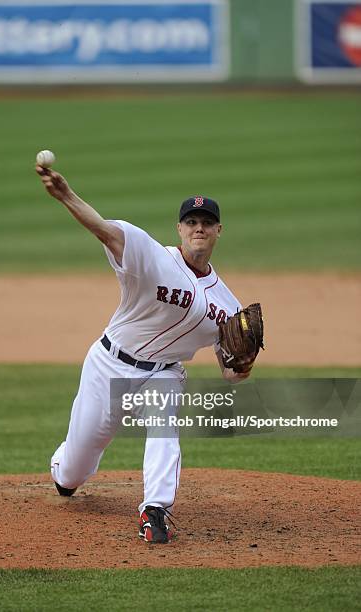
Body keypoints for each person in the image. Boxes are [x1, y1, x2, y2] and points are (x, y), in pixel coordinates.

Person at [35, 164, 255, 544]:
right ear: (180, 229)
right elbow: (103, 228)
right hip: (107, 365)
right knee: (72, 473)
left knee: (164, 423)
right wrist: (66, 196)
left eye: (206, 221)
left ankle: (154, 511)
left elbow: (230, 371)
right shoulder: (152, 256)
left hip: (162, 374)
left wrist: (242, 367)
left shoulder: (228, 304)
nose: (198, 227)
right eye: (191, 221)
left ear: (219, 230)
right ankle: (65, 465)